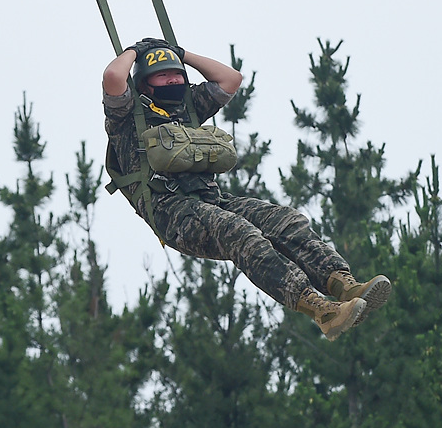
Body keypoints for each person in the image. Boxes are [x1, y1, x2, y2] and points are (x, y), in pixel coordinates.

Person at [102, 37, 391, 341]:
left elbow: (230, 79)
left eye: (176, 74)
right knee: (238, 232)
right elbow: (113, 77)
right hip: (172, 214)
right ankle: (322, 310)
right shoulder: (127, 116)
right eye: (163, 75)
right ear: (144, 84)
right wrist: (136, 51)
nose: (173, 80)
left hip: (214, 201)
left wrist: (182, 54)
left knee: (284, 220)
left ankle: (341, 283)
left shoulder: (188, 107)